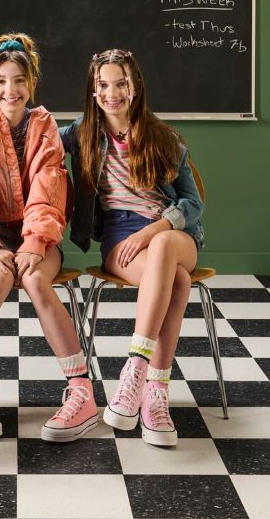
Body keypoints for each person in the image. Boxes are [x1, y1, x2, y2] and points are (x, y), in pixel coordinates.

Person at [0, 32, 98, 441]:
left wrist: (33, 241)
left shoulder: (44, 124)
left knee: (34, 278)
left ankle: (81, 391)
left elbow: (49, 183)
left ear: (31, 84)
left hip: (36, 234)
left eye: (18, 81)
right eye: (0, 82)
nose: (9, 90)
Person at [60, 49, 204, 447]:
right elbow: (34, 147)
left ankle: (135, 368)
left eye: (121, 83)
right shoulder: (82, 134)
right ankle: (156, 397)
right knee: (177, 281)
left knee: (165, 251)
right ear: (93, 90)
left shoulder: (163, 137)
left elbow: (193, 204)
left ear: (135, 86)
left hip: (172, 233)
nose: (112, 93)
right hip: (120, 239)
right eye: (103, 84)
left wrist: (154, 230)